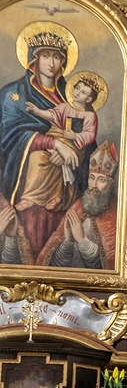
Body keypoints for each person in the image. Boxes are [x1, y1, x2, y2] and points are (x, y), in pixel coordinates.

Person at [0, 24, 95, 258]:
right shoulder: (14, 94)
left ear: (63, 61)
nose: (51, 62)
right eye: (45, 55)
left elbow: (85, 139)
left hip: (64, 186)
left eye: (57, 57)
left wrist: (70, 151)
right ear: (34, 58)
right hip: (24, 186)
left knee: (59, 246)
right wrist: (55, 144)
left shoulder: (72, 97)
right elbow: (9, 137)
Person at [18, 74, 103, 212]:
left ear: (89, 99)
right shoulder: (64, 106)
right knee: (37, 157)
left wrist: (75, 136)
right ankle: (30, 197)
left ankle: (58, 196)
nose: (77, 92)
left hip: (74, 146)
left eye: (83, 92)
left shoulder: (90, 115)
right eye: (77, 88)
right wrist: (38, 112)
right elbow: (53, 115)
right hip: (56, 137)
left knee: (61, 162)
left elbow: (89, 135)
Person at [37, 141, 118, 269]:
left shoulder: (116, 216)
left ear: (110, 184)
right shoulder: (78, 206)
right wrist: (68, 242)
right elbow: (54, 266)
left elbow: (107, 270)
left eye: (101, 179)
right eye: (91, 177)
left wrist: (82, 241)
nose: (94, 185)